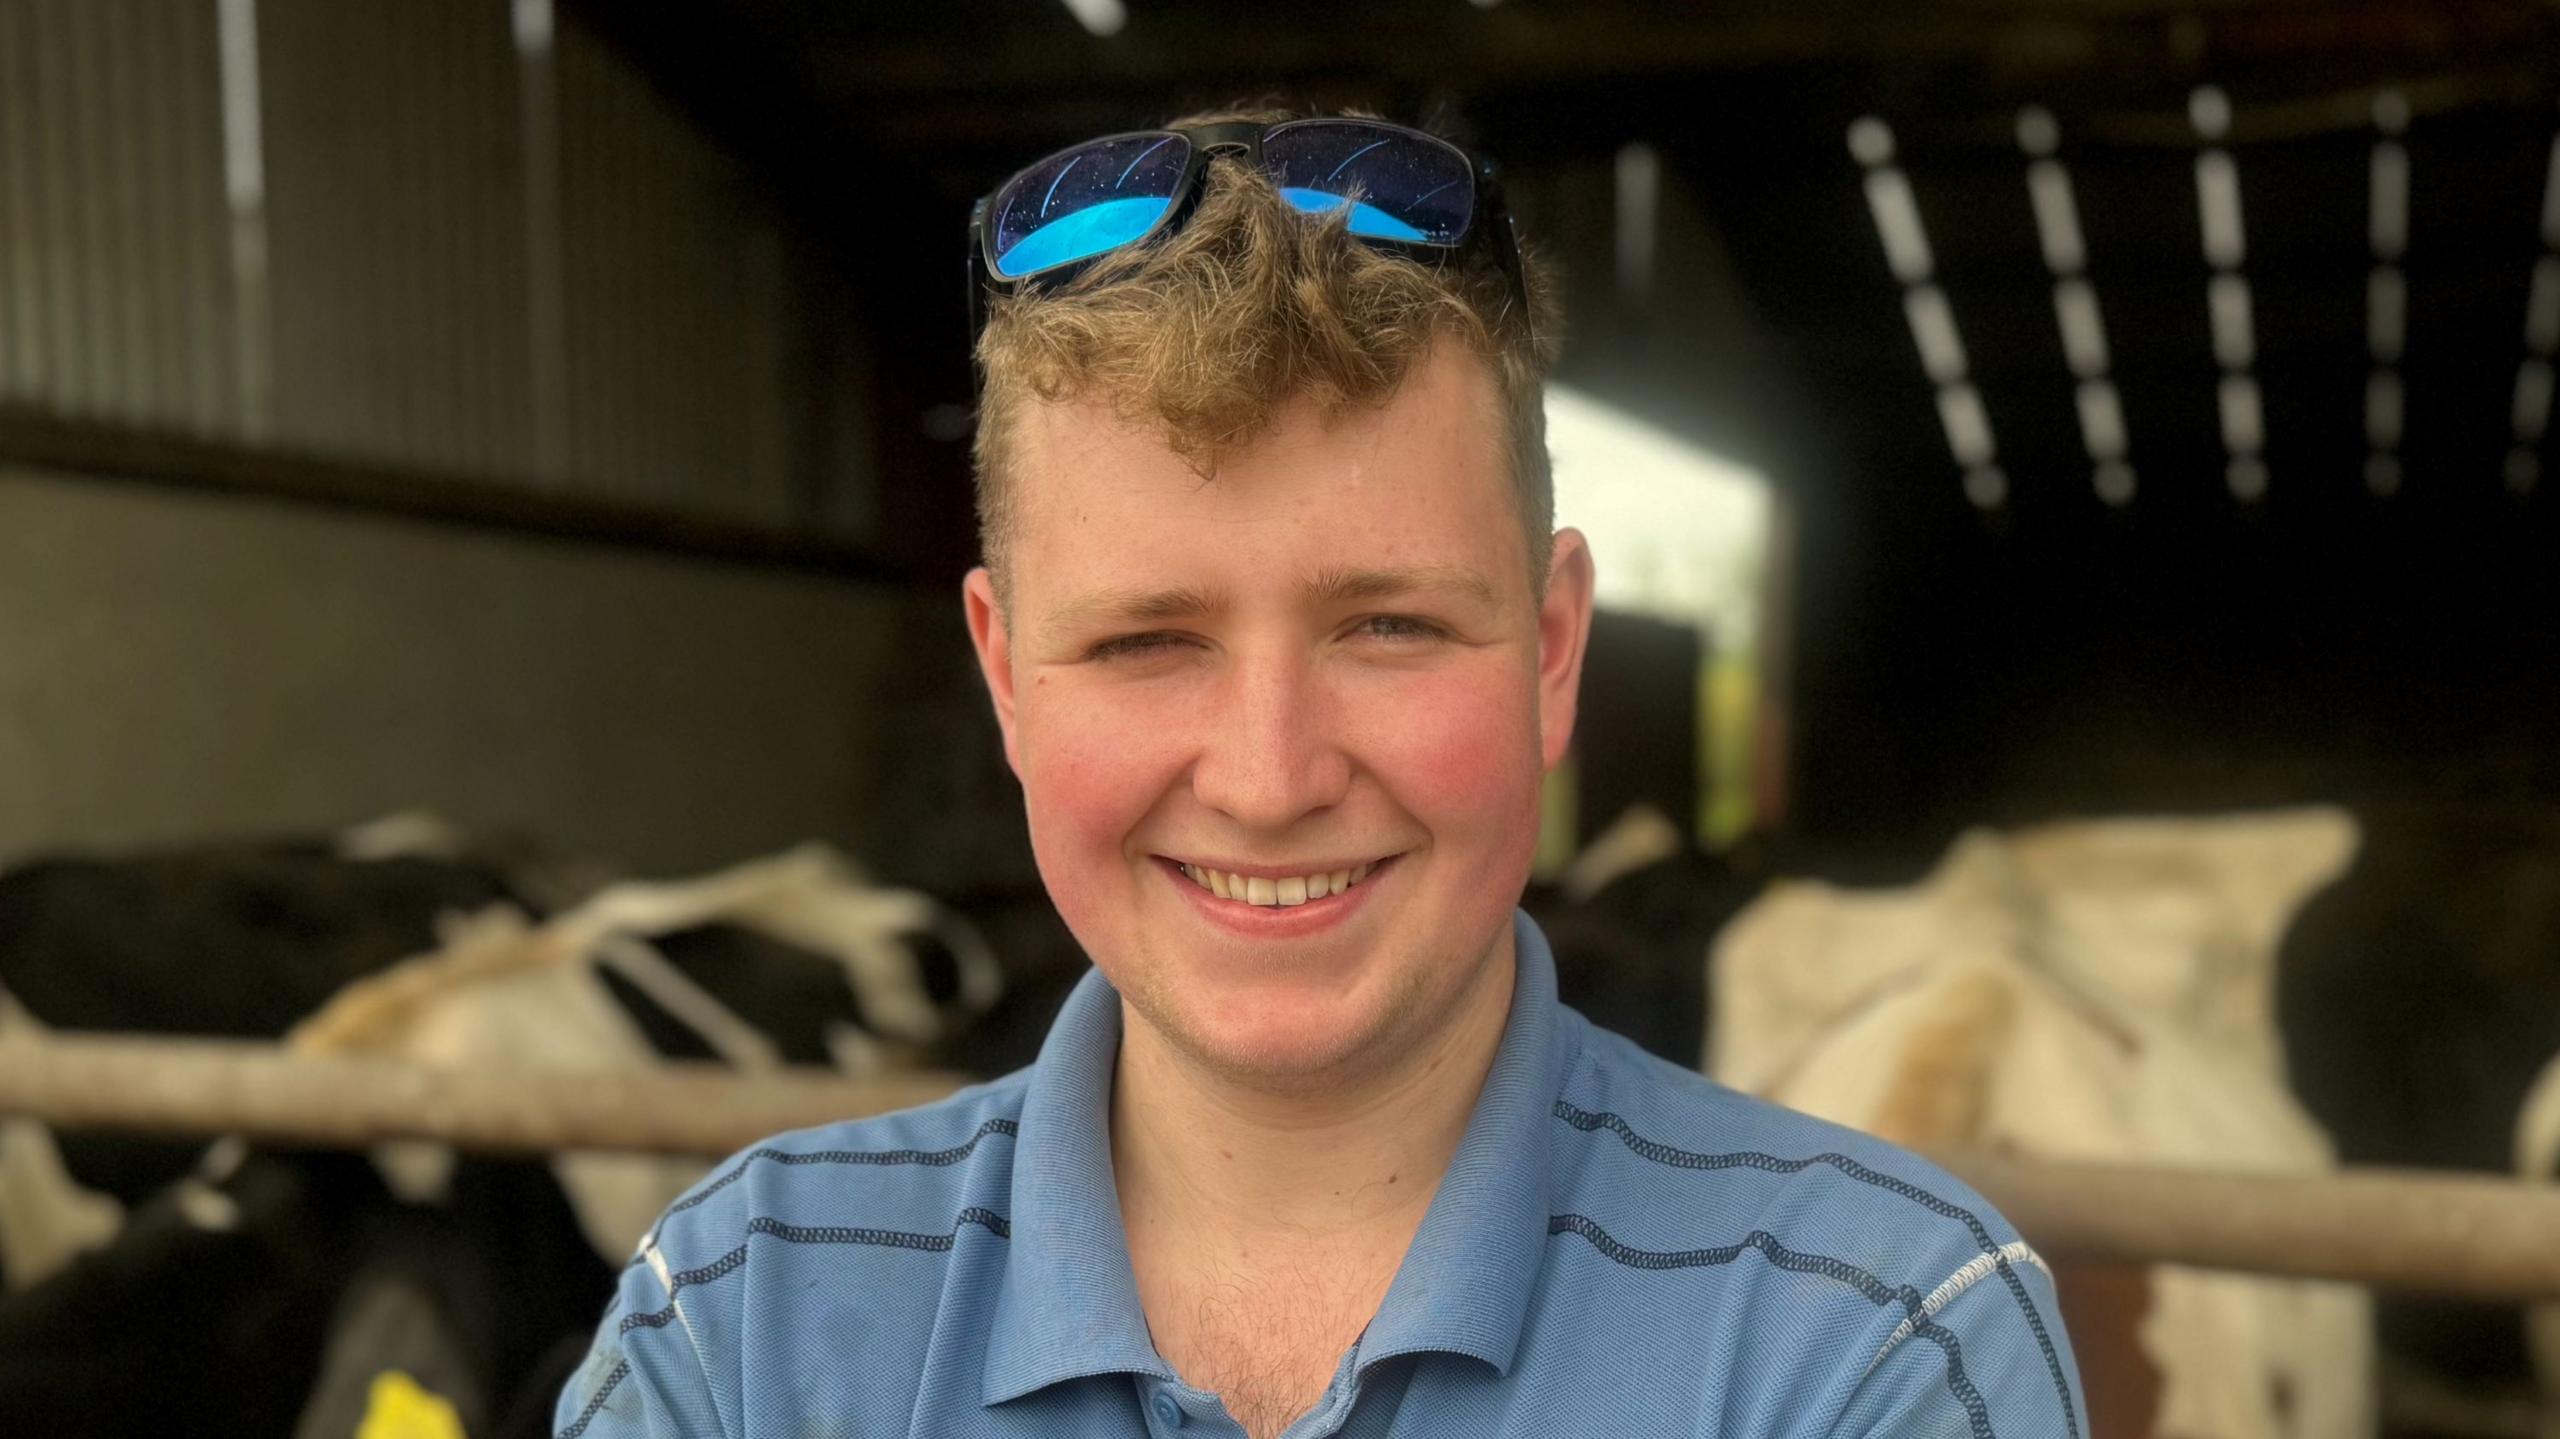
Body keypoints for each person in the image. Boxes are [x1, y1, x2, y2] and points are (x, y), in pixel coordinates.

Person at [555, 110, 2085, 1439]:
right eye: (1149, 641)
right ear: (1005, 675)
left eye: (1390, 625)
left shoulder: (1869, 1335)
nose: (1272, 776)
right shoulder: (745, 1316)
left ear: (1552, 652)